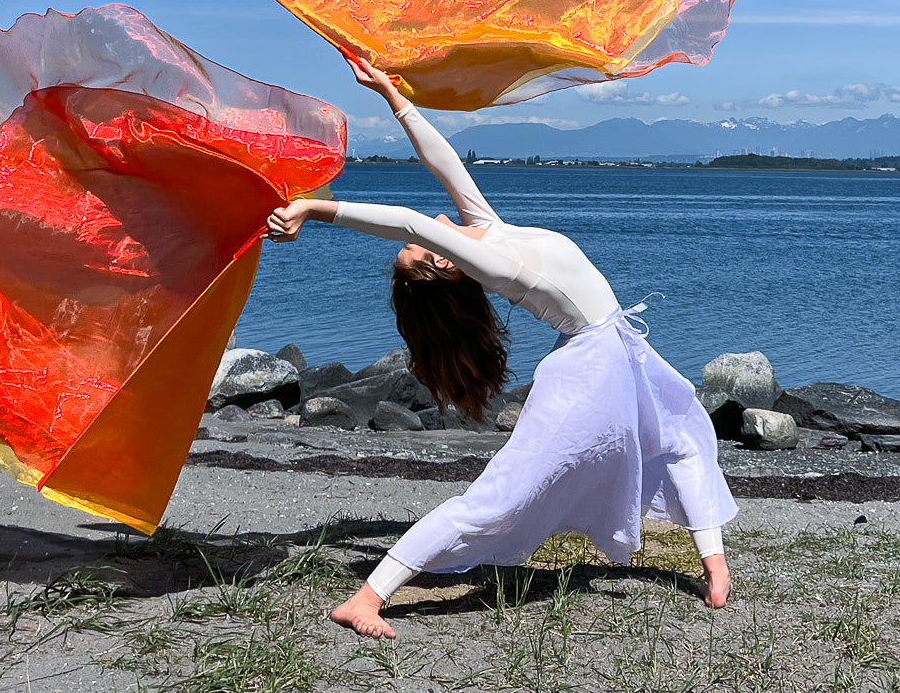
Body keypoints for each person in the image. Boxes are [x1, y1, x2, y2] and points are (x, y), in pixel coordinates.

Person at [267, 58, 737, 639]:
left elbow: (443, 164)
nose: (423, 241)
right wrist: (315, 209)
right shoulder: (492, 260)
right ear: (441, 262)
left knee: (685, 436)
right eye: (416, 254)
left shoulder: (484, 228)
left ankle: (715, 569)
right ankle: (366, 598)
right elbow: (410, 222)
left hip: (619, 347)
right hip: (590, 366)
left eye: (413, 251)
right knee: (501, 495)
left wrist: (393, 95)